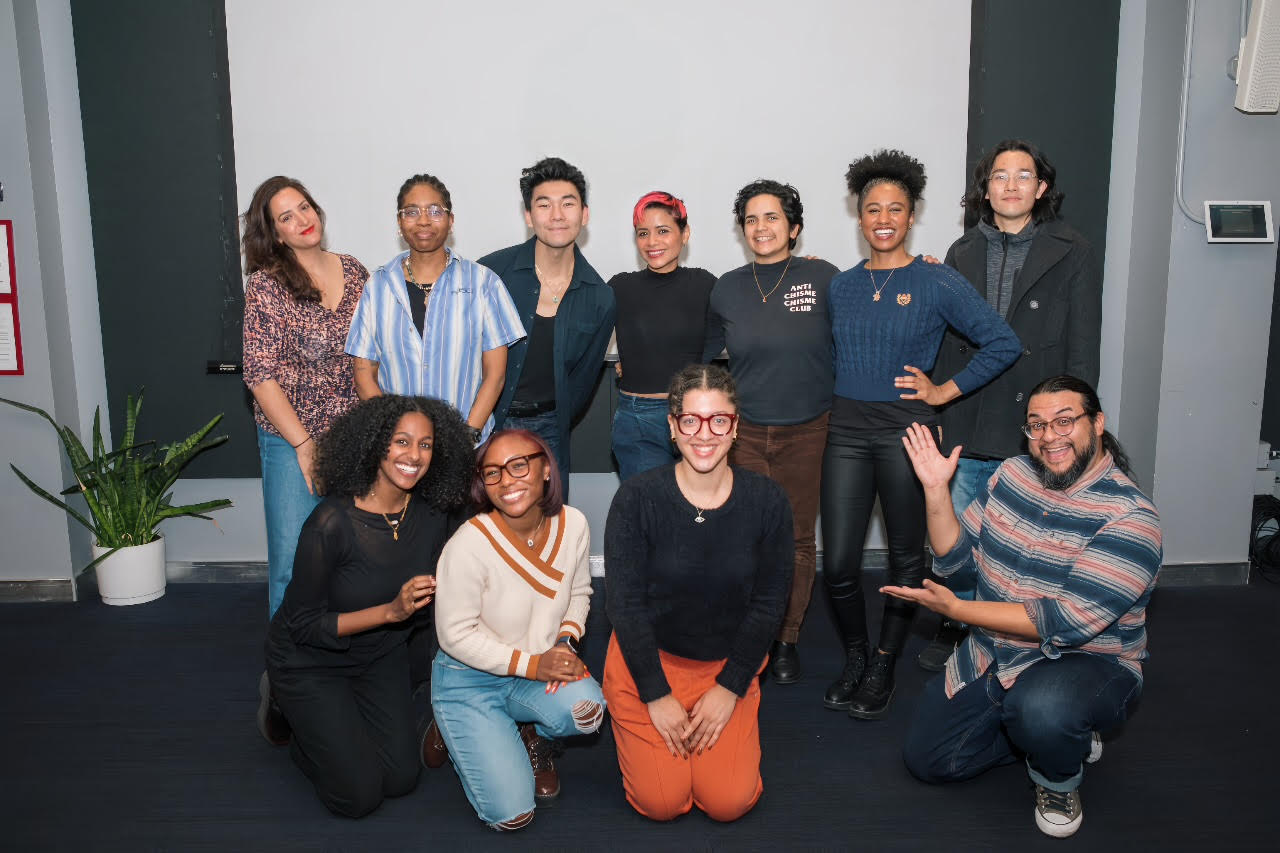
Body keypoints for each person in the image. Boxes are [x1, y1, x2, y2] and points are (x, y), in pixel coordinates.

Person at [889, 375, 1161, 838]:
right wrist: (936, 490)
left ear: (1097, 423)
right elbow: (957, 563)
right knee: (929, 760)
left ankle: (1058, 773)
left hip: (1086, 662)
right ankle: (1051, 734)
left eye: (1064, 421)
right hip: (997, 651)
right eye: (1036, 425)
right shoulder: (1011, 474)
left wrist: (957, 611)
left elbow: (1062, 622)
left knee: (1044, 709)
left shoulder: (1132, 518)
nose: (1049, 436)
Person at [821, 150, 1020, 720]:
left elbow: (1001, 342)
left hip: (909, 433)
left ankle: (884, 660)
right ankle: (856, 654)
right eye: (872, 209)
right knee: (838, 562)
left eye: (896, 209)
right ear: (859, 218)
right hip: (848, 430)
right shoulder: (840, 286)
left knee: (907, 559)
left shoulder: (936, 278)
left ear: (911, 217)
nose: (883, 218)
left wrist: (943, 392)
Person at [919, 138, 1103, 672]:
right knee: (959, 531)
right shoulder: (961, 251)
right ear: (986, 188)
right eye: (1000, 176)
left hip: (1036, 414)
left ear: (1041, 188)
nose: (1011, 185)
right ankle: (957, 623)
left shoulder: (1074, 250)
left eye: (1023, 176)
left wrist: (1073, 419)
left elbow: (1083, 343)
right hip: (969, 406)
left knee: (1025, 536)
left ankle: (1012, 629)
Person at [261, 395, 474, 817]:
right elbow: (304, 626)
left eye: (426, 445)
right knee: (358, 796)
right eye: (401, 442)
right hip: (310, 659)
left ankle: (336, 729)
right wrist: (390, 613)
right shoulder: (330, 524)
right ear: (375, 445)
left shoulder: (433, 513)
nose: (414, 456)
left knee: (400, 779)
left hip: (379, 655)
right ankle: (288, 711)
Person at [603, 364, 793, 822]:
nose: (703, 434)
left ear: (735, 428)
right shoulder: (636, 499)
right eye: (690, 420)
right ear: (672, 426)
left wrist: (730, 687)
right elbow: (624, 605)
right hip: (647, 663)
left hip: (726, 668)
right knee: (662, 804)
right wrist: (655, 693)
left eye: (718, 420)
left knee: (728, 804)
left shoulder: (767, 501)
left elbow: (769, 605)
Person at [429, 428, 605, 832]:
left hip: (535, 666)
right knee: (512, 816)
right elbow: (454, 636)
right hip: (469, 679)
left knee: (588, 713)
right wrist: (534, 665)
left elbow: (579, 591)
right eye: (492, 473)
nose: (507, 480)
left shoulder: (573, 523)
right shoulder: (468, 544)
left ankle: (532, 737)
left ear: (545, 468)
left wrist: (564, 643)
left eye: (519, 466)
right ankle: (452, 720)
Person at [702, 179, 838, 685]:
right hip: (745, 436)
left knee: (797, 540)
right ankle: (747, 636)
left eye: (772, 217)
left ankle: (787, 638)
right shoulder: (728, 287)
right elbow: (705, 357)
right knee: (744, 539)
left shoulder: (824, 278)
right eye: (752, 219)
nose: (761, 227)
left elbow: (864, 316)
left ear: (794, 227)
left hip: (809, 432)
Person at [242, 175, 369, 617]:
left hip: (354, 438)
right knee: (295, 561)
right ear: (275, 233)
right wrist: (303, 445)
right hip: (290, 437)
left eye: (305, 207)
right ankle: (288, 671)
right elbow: (259, 374)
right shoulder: (266, 286)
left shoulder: (354, 270)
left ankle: (345, 657)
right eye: (286, 217)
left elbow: (373, 352)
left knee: (354, 557)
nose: (302, 220)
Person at [346, 173, 525, 443]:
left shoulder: (483, 282)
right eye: (412, 212)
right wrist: (397, 436)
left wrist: (466, 436)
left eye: (435, 210)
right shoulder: (378, 286)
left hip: (465, 443)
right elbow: (364, 375)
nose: (424, 220)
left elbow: (495, 375)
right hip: (398, 448)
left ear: (451, 221)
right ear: (399, 222)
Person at [480, 157, 617, 485]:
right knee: (484, 528)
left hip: (550, 432)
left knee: (547, 528)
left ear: (584, 215)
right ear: (528, 216)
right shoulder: (491, 274)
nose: (557, 216)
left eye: (568, 204)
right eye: (544, 205)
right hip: (487, 423)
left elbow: (582, 383)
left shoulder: (600, 297)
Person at [609, 191, 717, 480]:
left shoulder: (705, 283)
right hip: (638, 418)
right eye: (643, 233)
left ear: (685, 233)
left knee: (698, 514)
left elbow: (742, 316)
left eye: (663, 231)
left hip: (695, 414)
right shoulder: (620, 287)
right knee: (649, 516)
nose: (652, 242)